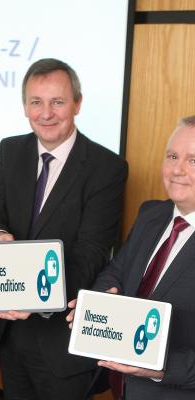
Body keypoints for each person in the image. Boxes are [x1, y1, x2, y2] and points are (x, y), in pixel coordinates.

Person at [0, 58, 128, 399]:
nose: (46, 113)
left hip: (63, 344)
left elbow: (90, 254)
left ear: (77, 103)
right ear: (25, 106)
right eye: (36, 102)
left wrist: (38, 297)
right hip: (11, 334)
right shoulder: (10, 150)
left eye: (57, 101)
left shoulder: (107, 168)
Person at [67, 115, 195, 399]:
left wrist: (158, 367)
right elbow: (115, 272)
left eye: (193, 161)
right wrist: (96, 309)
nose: (177, 169)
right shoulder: (152, 214)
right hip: (121, 388)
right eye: (172, 156)